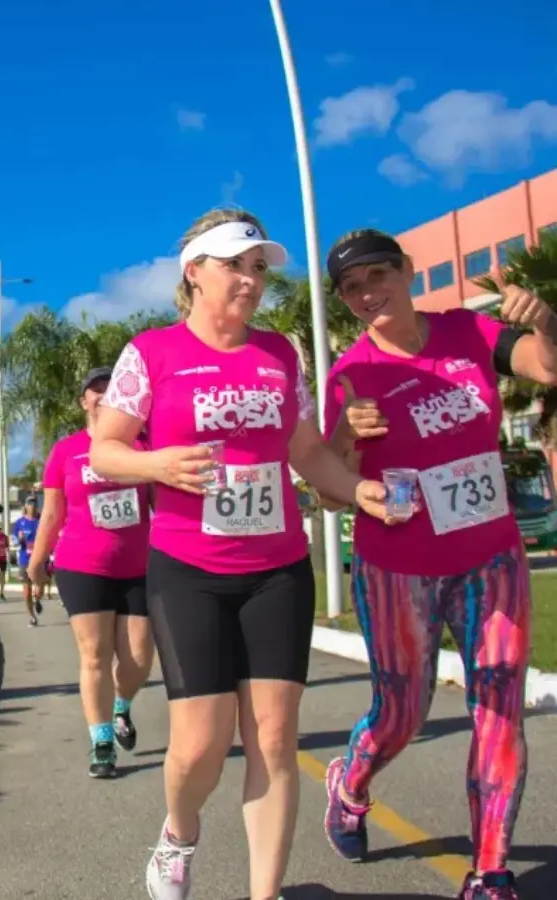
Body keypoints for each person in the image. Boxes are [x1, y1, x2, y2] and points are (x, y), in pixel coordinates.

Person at [88, 208, 397, 900]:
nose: (252, 280)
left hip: (278, 570)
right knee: (199, 744)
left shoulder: (282, 353)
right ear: (194, 272)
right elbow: (106, 450)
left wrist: (358, 489)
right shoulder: (152, 354)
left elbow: (307, 451)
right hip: (188, 569)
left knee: (275, 738)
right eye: (236, 265)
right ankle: (179, 832)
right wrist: (160, 463)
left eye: (259, 268)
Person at [319, 230, 554, 900]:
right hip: (398, 565)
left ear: (407, 272)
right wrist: (346, 436)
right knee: (401, 713)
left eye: (377, 276)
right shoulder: (352, 374)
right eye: (352, 288)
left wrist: (548, 322)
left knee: (500, 707)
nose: (368, 294)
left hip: (490, 556)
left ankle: (490, 871)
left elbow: (546, 365)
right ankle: (352, 782)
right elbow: (330, 483)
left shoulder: (469, 334)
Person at [27, 367, 155, 778]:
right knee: (95, 655)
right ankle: (101, 742)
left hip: (140, 565)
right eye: (95, 390)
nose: (102, 395)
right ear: (83, 400)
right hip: (83, 564)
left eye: (111, 388)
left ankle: (121, 707)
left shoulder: (141, 444)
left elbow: (162, 502)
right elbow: (52, 511)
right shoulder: (66, 451)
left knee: (138, 658)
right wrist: (36, 558)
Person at [13, 497, 42, 624]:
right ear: (26, 506)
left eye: (35, 503)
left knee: (39, 589)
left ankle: (37, 600)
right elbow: (14, 542)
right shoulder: (19, 523)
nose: (32, 505)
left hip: (40, 558)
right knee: (26, 591)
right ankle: (32, 616)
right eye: (30, 503)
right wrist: (19, 539)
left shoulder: (41, 520)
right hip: (25, 559)